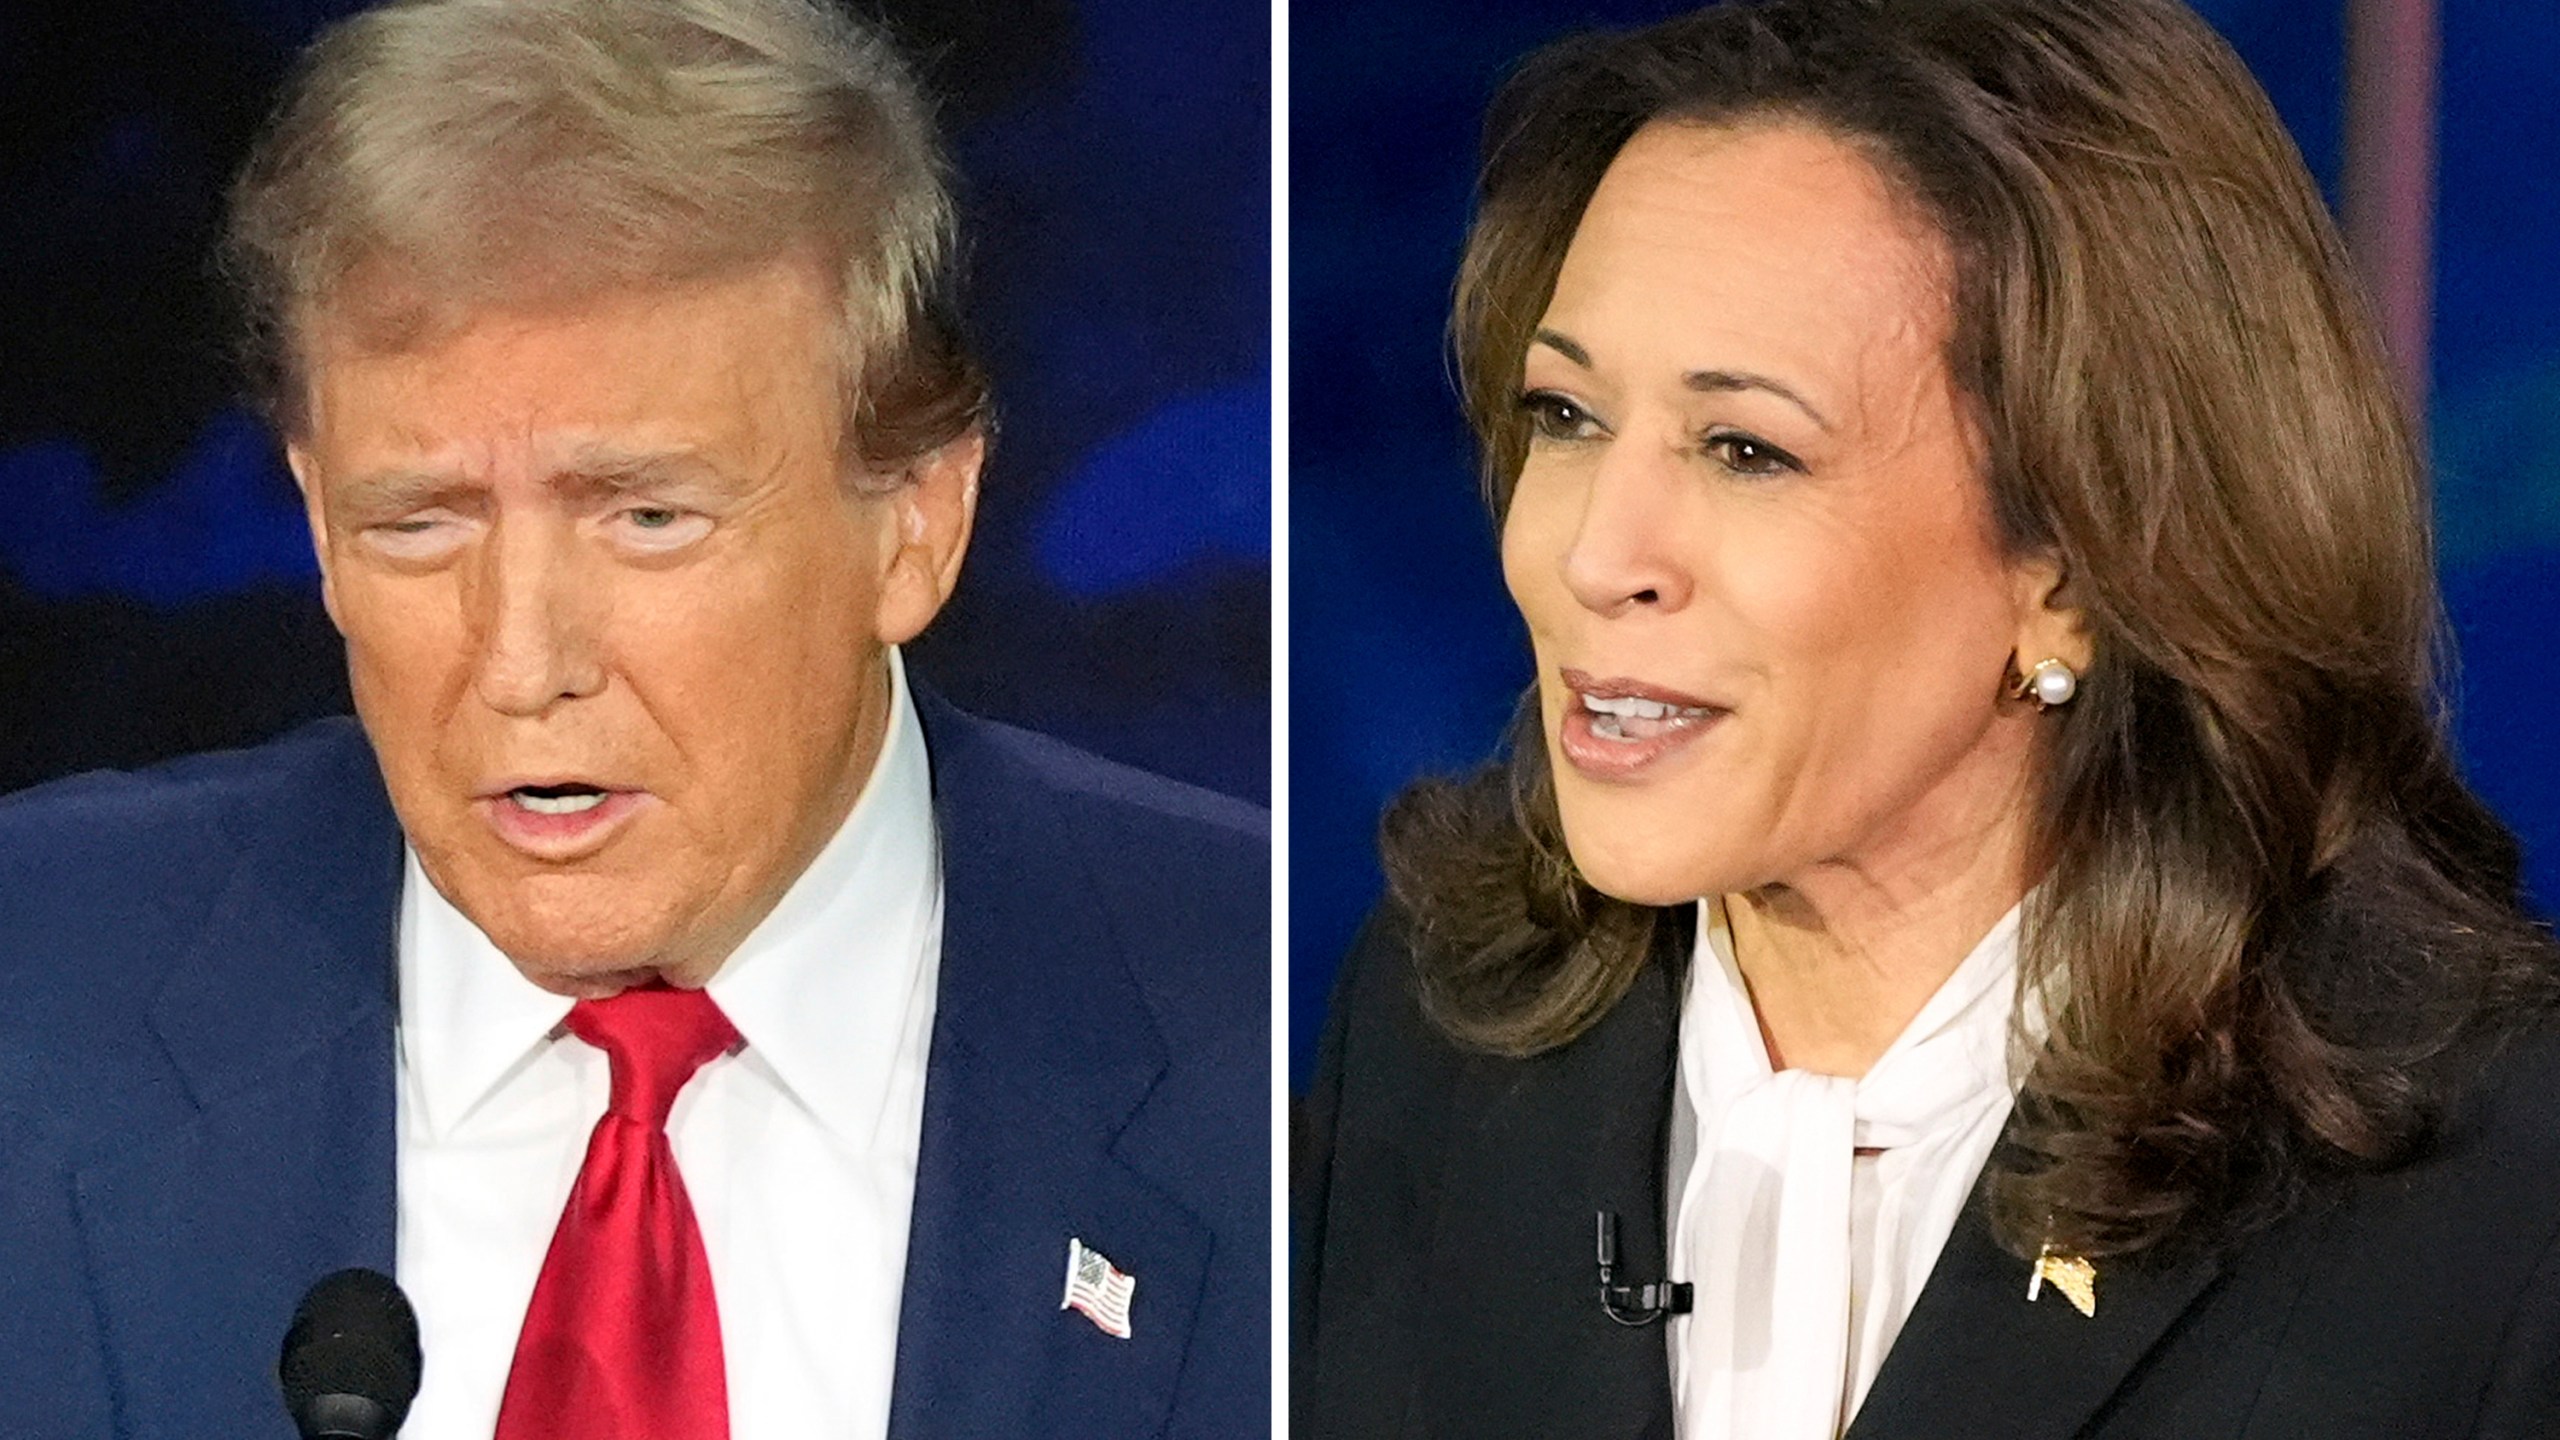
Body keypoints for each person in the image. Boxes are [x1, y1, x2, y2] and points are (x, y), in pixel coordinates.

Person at [1293, 0, 2560, 1436]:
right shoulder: (1431, 1029)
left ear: (2077, 566)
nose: (1591, 554)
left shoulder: (2489, 1189)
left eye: (1745, 449)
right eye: (1567, 417)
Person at [0, 1, 1266, 1436]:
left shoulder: (1275, 1033)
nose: (522, 663)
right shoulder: (30, 993)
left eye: (647, 517)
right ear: (314, 516)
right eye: (418, 523)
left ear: (917, 520)